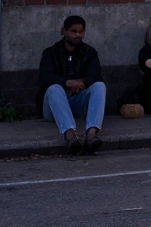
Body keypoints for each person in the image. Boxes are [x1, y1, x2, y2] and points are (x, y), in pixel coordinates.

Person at [37, 15, 106, 155]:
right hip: (54, 106)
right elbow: (44, 76)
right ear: (64, 31)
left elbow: (95, 74)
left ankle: (91, 134)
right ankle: (70, 136)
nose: (77, 35)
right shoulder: (51, 53)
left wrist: (82, 83)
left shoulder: (89, 52)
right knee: (53, 88)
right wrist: (65, 83)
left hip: (78, 100)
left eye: (81, 31)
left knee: (100, 86)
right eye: (73, 31)